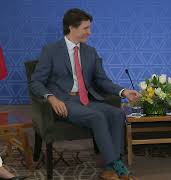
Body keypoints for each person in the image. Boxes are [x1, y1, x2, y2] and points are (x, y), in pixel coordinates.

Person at [30, 8, 140, 180]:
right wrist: (51, 98)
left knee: (117, 114)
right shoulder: (50, 51)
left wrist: (123, 91)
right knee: (97, 117)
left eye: (90, 28)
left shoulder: (90, 52)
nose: (90, 32)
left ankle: (112, 167)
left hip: (87, 100)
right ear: (71, 28)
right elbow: (36, 82)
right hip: (64, 103)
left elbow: (102, 80)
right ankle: (119, 168)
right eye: (86, 28)